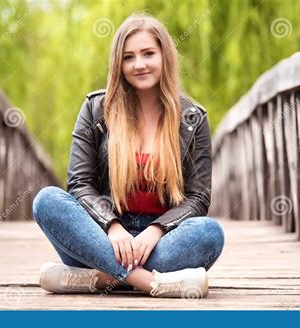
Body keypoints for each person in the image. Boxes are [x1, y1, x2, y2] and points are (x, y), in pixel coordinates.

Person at [32, 13, 225, 298]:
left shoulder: (192, 118)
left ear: (165, 56)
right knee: (47, 200)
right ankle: (149, 282)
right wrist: (113, 227)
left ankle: (96, 278)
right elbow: (80, 184)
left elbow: (198, 198)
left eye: (148, 54)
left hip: (161, 241)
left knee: (210, 233)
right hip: (101, 237)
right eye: (129, 57)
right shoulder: (96, 109)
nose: (140, 64)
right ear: (118, 64)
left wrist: (156, 230)